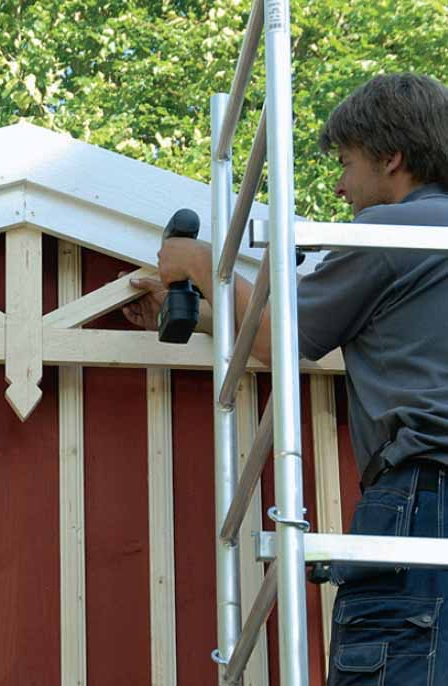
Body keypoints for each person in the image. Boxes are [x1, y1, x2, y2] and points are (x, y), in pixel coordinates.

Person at [123, 73, 448, 684]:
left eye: (347, 163)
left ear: (392, 157)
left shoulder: (390, 233)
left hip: (424, 495)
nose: (340, 185)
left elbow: (281, 337)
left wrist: (204, 264)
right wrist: (205, 318)